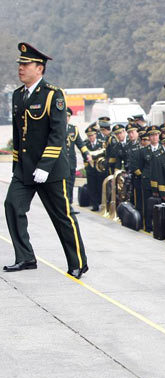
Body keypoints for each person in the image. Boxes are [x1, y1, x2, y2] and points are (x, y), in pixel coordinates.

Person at [4, 42, 89, 278]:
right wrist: (16, 166)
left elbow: (58, 134)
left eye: (25, 64)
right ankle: (25, 257)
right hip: (24, 169)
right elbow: (18, 136)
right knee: (12, 205)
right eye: (20, 64)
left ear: (39, 68)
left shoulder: (53, 94)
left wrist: (44, 166)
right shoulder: (18, 96)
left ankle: (78, 262)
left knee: (62, 216)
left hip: (50, 169)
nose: (20, 68)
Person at [65, 107, 91, 207]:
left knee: (70, 184)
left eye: (68, 116)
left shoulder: (73, 129)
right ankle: (64, 206)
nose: (66, 118)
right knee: (63, 185)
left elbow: (80, 144)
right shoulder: (56, 128)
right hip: (61, 162)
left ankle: (70, 205)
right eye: (65, 116)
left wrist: (87, 154)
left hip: (71, 162)